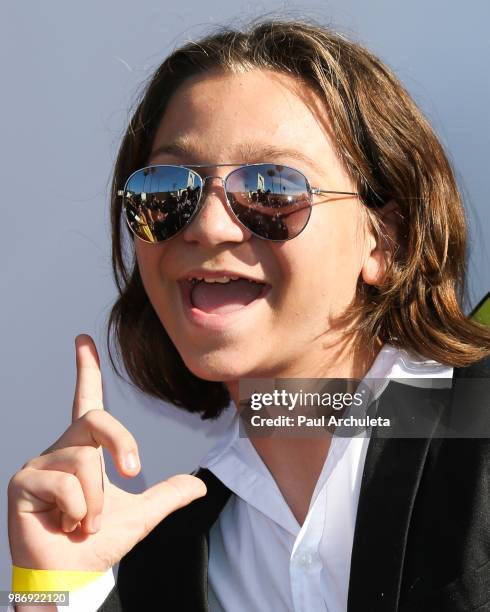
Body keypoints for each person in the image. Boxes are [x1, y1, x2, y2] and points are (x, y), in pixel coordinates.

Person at [7, 16, 490, 612]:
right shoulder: (155, 562)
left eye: (272, 188)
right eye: (167, 189)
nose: (207, 227)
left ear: (382, 239)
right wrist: (55, 591)